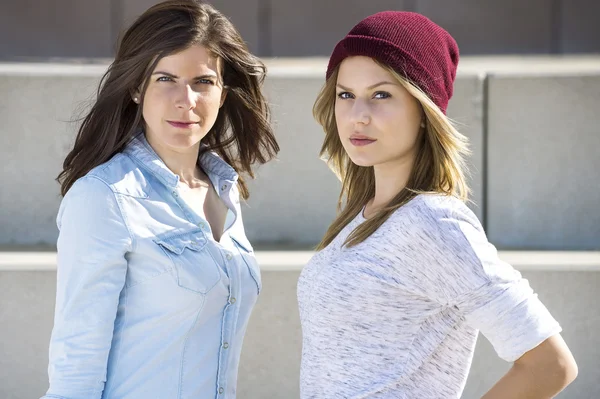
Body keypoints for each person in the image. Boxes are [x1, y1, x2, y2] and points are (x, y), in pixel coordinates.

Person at [297, 11, 577, 399]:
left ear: (424, 111)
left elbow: (550, 365)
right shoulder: (361, 217)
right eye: (346, 94)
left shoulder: (433, 223)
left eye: (381, 94)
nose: (358, 115)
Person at [42, 1, 278, 398]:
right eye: (165, 79)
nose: (185, 99)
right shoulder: (104, 197)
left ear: (223, 92)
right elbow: (76, 362)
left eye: (203, 81)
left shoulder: (223, 188)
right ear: (137, 87)